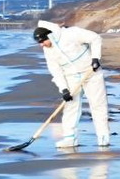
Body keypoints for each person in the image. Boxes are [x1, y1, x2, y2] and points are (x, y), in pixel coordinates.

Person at [33, 19, 111, 149]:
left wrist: (95, 58)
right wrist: (64, 89)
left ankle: (103, 137)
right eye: (39, 42)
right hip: (71, 77)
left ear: (49, 35)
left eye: (42, 41)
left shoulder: (72, 33)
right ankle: (70, 138)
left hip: (91, 72)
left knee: (98, 104)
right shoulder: (48, 50)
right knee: (70, 107)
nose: (41, 45)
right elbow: (55, 70)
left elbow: (95, 38)